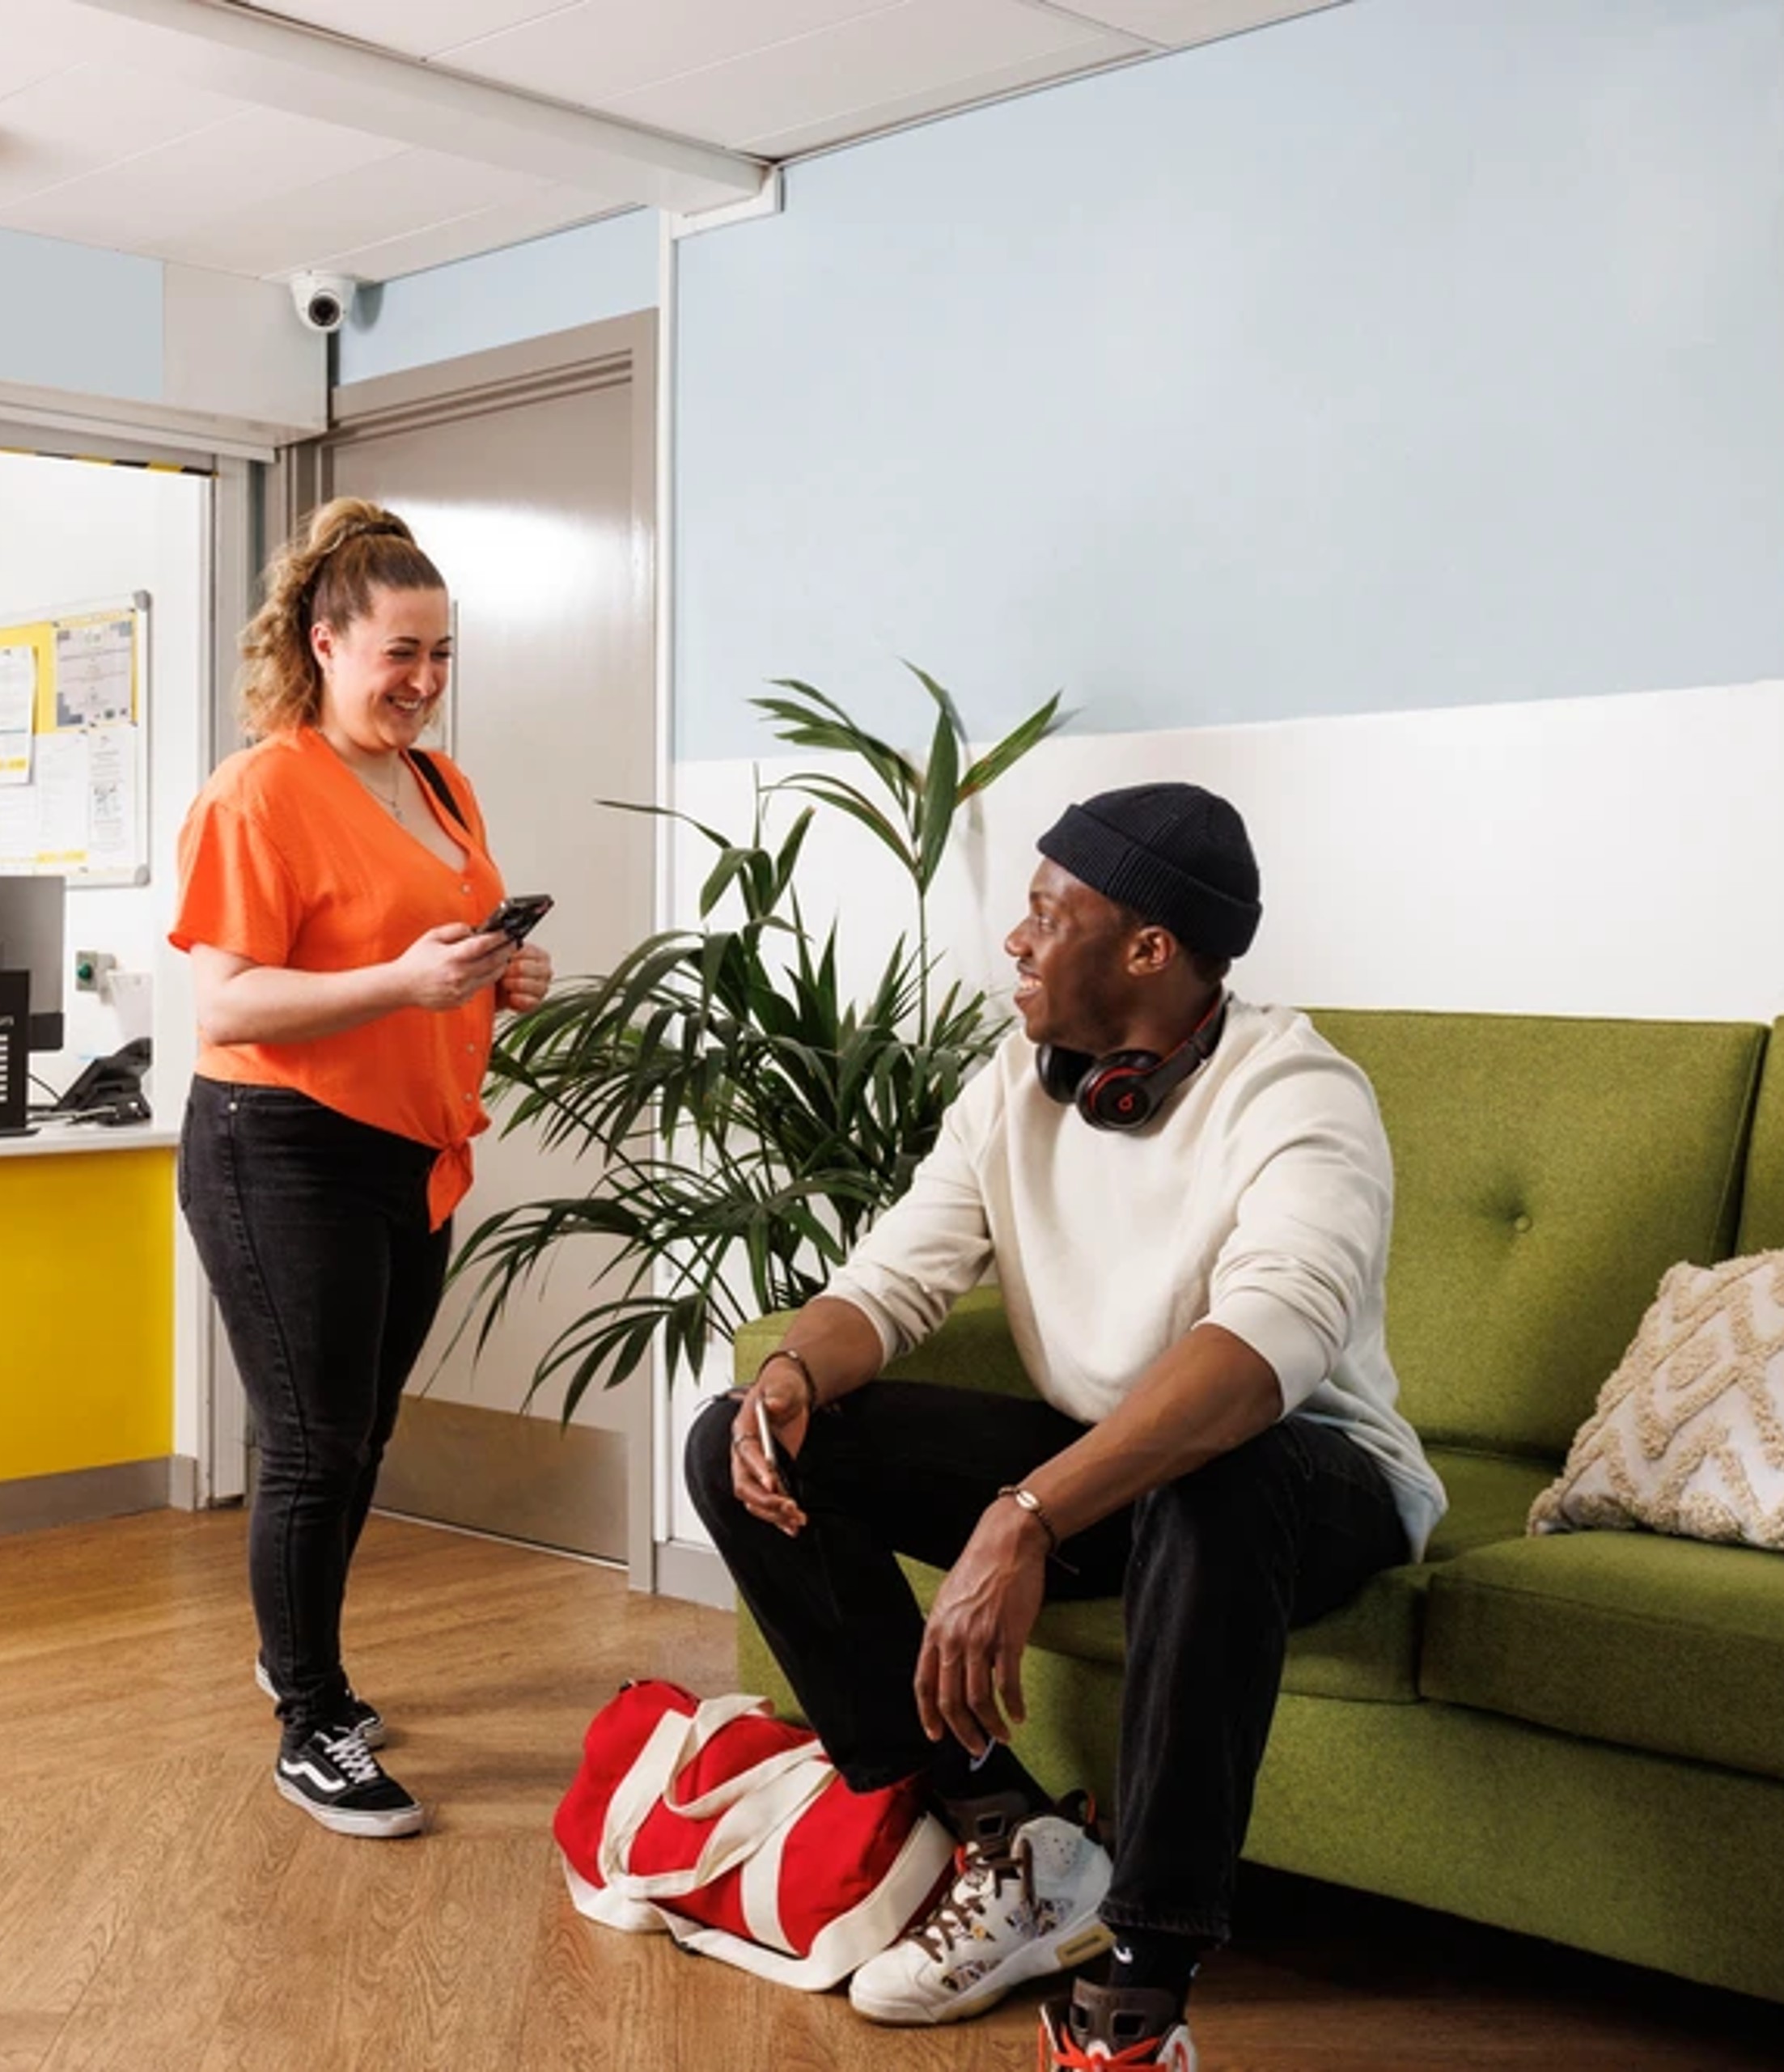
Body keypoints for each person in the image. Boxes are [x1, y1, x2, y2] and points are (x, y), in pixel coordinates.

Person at [685, 782, 1445, 2066]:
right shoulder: (1015, 1089)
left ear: (1147, 948)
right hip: (1108, 1475)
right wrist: (794, 1377)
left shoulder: (1301, 1095)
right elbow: (889, 1281)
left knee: (1215, 1477)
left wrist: (1027, 1512)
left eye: (1048, 912)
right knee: (739, 1440)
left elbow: (1260, 1355)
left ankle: (1141, 1990)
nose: (1017, 940)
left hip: (1308, 1482)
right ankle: (1020, 1843)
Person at [169, 498, 554, 1840]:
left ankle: (302, 1661)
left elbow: (416, 956)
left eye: (442, 655)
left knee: (358, 1435)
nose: (425, 683)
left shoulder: (443, 784)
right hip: (279, 1151)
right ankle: (309, 1720)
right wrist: (404, 977)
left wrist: (497, 980)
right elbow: (225, 1003)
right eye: (401, 653)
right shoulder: (259, 791)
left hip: (413, 1152)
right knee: (314, 1444)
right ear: (325, 641)